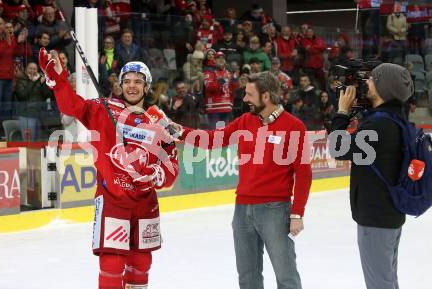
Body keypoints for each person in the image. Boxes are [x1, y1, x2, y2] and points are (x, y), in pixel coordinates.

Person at [38, 48, 179, 289]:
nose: (132, 86)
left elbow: (172, 166)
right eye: (127, 81)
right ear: (120, 85)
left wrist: (155, 175)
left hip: (145, 203)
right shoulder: (103, 109)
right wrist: (58, 80)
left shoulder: (158, 121)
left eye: (138, 82)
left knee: (141, 262)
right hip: (113, 198)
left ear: (147, 87)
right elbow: (72, 106)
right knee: (112, 264)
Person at [173, 71, 312, 289]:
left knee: (286, 277)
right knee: (248, 278)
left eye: (249, 94)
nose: (245, 99)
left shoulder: (294, 127)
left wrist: (297, 213)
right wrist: (179, 131)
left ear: (266, 96)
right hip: (242, 210)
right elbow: (213, 140)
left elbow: (303, 174)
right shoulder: (246, 121)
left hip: (275, 210)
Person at [329, 63, 414, 289]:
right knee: (387, 281)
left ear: (384, 88)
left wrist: (342, 112)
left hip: (376, 217)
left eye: (373, 79)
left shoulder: (379, 125)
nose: (367, 82)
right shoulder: (393, 118)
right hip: (388, 215)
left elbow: (337, 148)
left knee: (380, 284)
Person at [0, 16, 28, 140]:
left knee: (7, 107)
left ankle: (6, 134)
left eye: (0, 24)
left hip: (8, 77)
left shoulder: (10, 39)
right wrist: (7, 43)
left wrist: (19, 42)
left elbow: (17, 53)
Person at [14, 62, 53, 141]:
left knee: (39, 141)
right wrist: (33, 82)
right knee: (29, 141)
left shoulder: (40, 80)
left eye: (34, 69)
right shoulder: (21, 81)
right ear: (26, 70)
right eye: (30, 68)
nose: (32, 71)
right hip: (26, 115)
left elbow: (48, 95)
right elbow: (22, 96)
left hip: (39, 115)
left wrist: (43, 84)